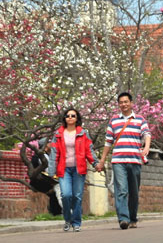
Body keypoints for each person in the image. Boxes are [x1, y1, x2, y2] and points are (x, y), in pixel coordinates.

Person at [96, 92, 151, 230]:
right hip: (118, 160)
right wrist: (102, 160)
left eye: (126, 102)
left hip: (134, 160)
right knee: (121, 190)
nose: (123, 104)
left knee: (134, 192)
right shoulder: (113, 121)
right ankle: (123, 219)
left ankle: (133, 218)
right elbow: (108, 142)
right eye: (121, 102)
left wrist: (146, 147)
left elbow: (147, 134)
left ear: (131, 103)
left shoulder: (139, 119)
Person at [48, 107, 98, 232]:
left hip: (78, 169)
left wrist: (96, 163)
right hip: (63, 169)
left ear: (77, 119)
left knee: (77, 196)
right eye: (68, 116)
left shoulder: (83, 133)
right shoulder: (58, 134)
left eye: (73, 116)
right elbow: (54, 153)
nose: (70, 117)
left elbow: (89, 150)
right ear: (64, 118)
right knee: (66, 195)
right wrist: (51, 169)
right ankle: (67, 220)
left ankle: (76, 222)